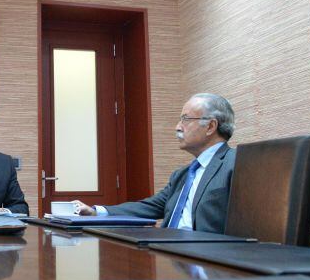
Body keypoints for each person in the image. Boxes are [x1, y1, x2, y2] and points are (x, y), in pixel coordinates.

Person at [74, 93, 236, 233]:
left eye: (185, 119)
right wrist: (95, 211)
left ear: (210, 126)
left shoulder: (236, 164)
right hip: (169, 252)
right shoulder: (183, 175)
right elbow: (150, 207)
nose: (177, 127)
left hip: (208, 258)